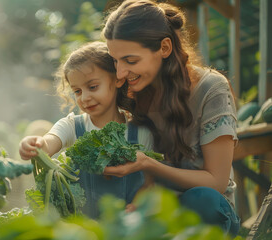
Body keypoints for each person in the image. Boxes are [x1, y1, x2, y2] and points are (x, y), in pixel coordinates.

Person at [101, 0, 240, 236]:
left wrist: (148, 164)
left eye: (131, 61)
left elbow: (216, 181)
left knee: (202, 199)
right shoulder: (129, 91)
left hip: (205, 214)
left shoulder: (211, 89)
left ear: (164, 48)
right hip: (152, 211)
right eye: (115, 60)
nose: (120, 73)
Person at [19, 41, 152, 218]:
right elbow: (49, 142)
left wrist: (140, 204)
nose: (85, 97)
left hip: (129, 228)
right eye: (78, 91)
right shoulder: (73, 126)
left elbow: (150, 182)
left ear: (117, 80)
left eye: (92, 87)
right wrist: (35, 144)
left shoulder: (141, 132)